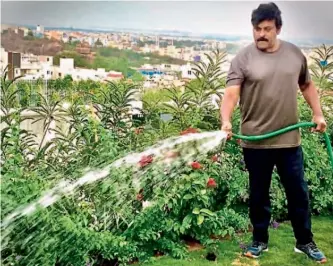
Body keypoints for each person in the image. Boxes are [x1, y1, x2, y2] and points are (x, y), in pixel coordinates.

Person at [220, 2, 328, 264]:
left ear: (278, 28)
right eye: (257, 29)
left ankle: (304, 242)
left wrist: (317, 113)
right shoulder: (243, 58)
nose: (261, 34)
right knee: (258, 194)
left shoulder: (294, 54)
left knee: (298, 193)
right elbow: (231, 94)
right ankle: (259, 241)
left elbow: (307, 85)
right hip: (255, 142)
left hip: (290, 141)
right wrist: (225, 120)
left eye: (267, 29)